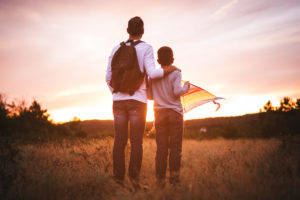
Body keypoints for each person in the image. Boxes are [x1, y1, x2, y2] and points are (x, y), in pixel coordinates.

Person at [105, 16, 177, 187]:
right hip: (138, 100)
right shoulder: (146, 48)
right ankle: (134, 182)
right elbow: (152, 73)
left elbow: (108, 77)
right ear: (143, 31)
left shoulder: (116, 48)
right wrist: (170, 69)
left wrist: (116, 93)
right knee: (136, 141)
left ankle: (118, 180)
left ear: (127, 30)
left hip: (118, 101)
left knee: (119, 141)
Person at [149, 46, 190, 185]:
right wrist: (186, 88)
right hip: (175, 113)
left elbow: (149, 96)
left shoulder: (153, 75)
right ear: (173, 59)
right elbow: (176, 91)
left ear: (158, 60)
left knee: (161, 149)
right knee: (175, 148)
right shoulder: (176, 73)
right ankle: (174, 180)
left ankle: (160, 181)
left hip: (159, 114)